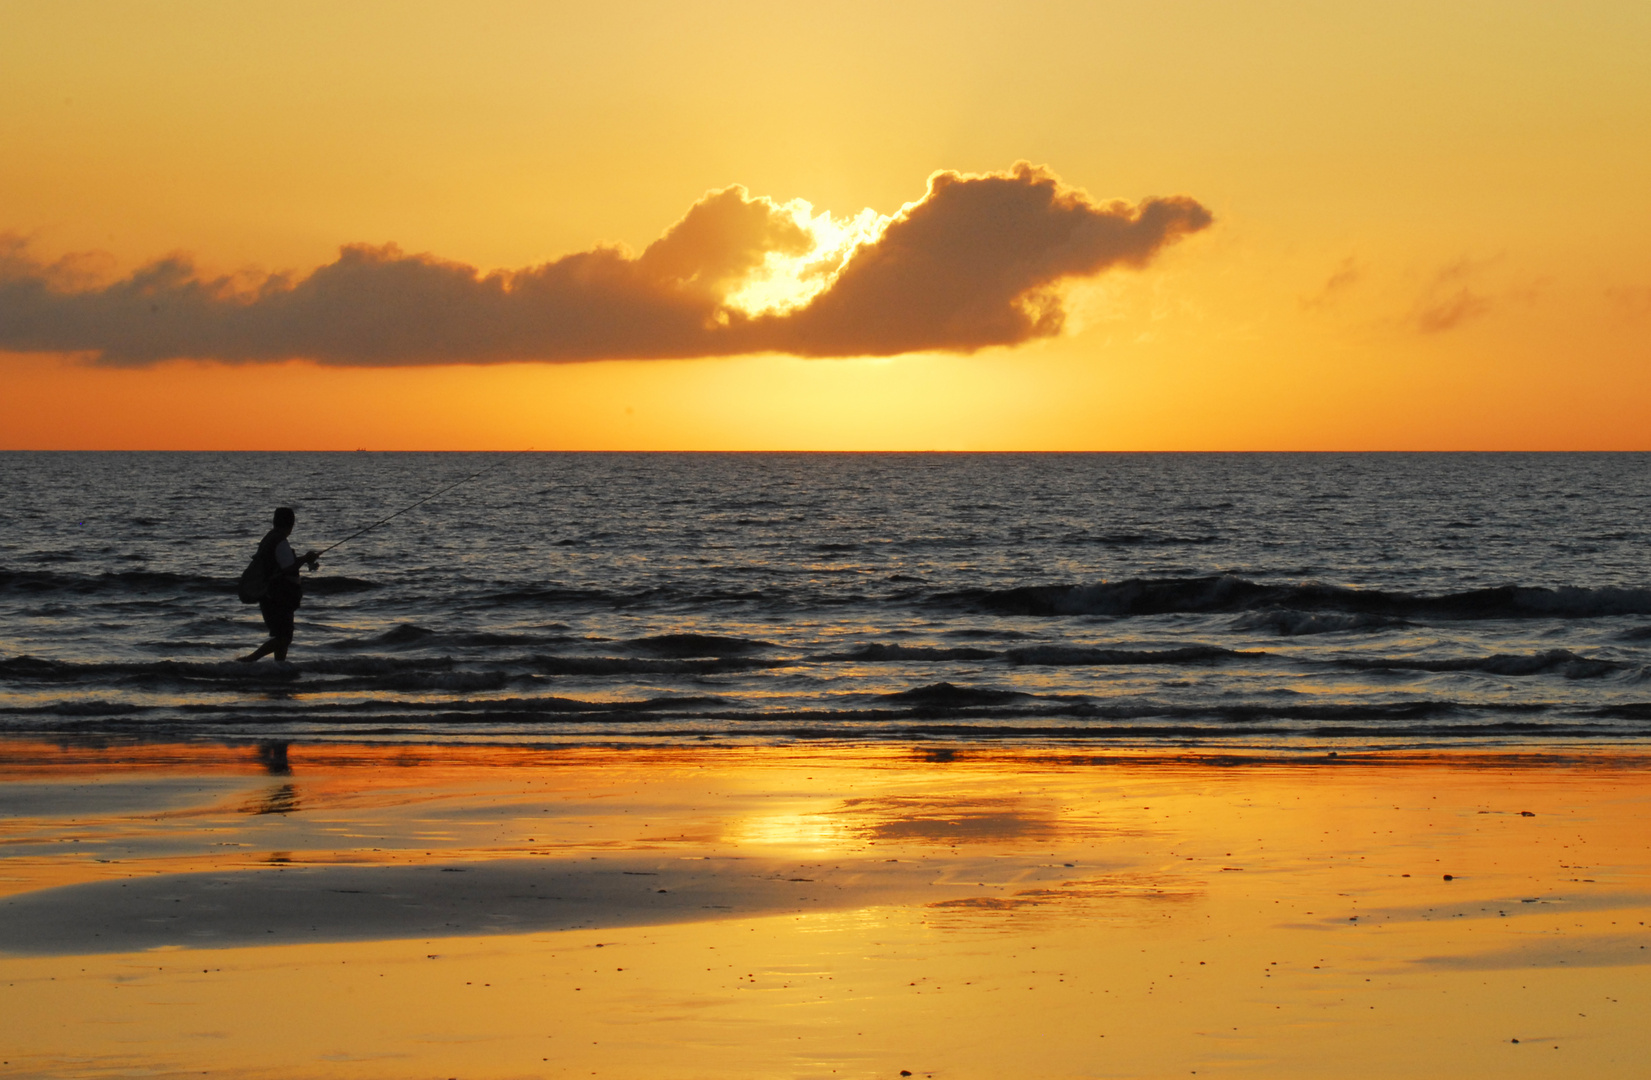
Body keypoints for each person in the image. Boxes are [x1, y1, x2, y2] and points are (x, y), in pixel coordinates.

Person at [238, 507, 320, 664]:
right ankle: (248, 661)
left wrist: (304, 559)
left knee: (282, 636)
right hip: (277, 596)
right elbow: (288, 567)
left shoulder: (270, 537)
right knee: (284, 638)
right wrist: (306, 558)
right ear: (292, 523)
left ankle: (279, 668)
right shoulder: (280, 541)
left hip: (272, 595)